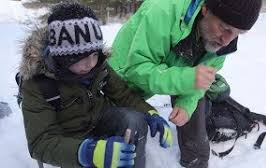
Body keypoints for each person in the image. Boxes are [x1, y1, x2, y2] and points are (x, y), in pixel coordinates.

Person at [109, 0, 262, 167]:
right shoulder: (162, 11)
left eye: (238, 33)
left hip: (169, 72)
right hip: (115, 84)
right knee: (130, 128)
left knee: (197, 95)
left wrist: (186, 104)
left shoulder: (222, 43)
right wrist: (187, 78)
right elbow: (136, 70)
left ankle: (195, 161)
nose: (227, 41)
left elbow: (202, 80)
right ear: (205, 9)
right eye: (224, 28)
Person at [19, 3, 172, 168]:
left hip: (99, 119)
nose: (91, 64)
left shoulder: (98, 65)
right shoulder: (37, 84)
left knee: (134, 120)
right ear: (62, 57)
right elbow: (40, 143)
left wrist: (150, 113)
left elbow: (123, 95)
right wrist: (87, 152)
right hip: (69, 140)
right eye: (81, 58)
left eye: (94, 54)